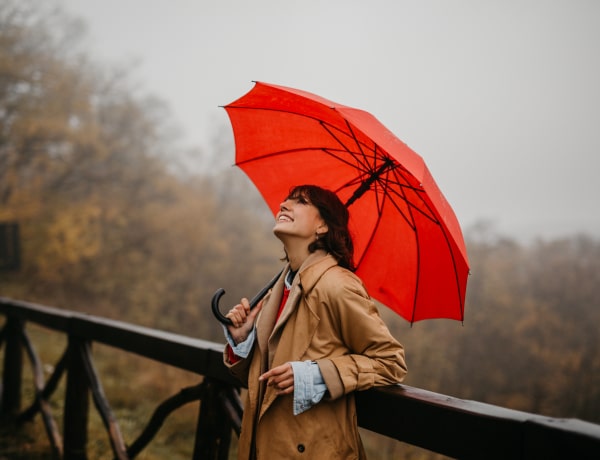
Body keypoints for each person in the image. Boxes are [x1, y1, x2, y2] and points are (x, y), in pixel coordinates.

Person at [223, 184, 407, 460]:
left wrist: (317, 374)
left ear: (322, 226)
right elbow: (263, 380)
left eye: (299, 202)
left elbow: (390, 362)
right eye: (285, 200)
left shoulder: (338, 286)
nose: (284, 205)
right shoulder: (280, 289)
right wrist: (241, 340)